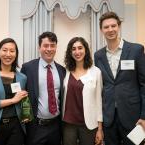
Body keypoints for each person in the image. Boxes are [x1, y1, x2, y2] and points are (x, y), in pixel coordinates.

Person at [94, 11, 145, 145]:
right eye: (106, 27)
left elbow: (144, 85)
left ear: (119, 26)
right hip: (109, 118)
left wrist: (144, 116)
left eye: (113, 26)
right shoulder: (98, 56)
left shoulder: (136, 50)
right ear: (101, 30)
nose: (110, 30)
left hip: (132, 116)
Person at [21, 31, 66, 145]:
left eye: (52, 45)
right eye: (46, 45)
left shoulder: (62, 70)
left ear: (56, 47)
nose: (49, 49)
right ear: (39, 47)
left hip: (56, 127)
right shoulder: (28, 68)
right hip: (35, 127)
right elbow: (22, 94)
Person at [62, 37, 103, 145]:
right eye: (73, 49)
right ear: (70, 52)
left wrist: (99, 129)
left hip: (89, 125)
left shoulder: (96, 72)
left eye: (80, 48)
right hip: (68, 124)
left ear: (86, 50)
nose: (77, 52)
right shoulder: (65, 71)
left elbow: (99, 101)